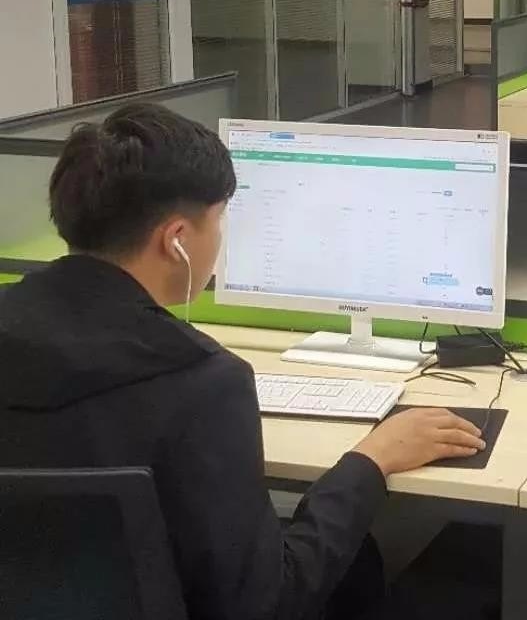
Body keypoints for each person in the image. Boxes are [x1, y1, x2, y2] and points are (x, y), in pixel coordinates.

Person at [0, 104, 486, 620]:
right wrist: (371, 460)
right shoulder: (204, 382)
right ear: (176, 240)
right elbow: (268, 604)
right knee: (360, 563)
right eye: (219, 218)